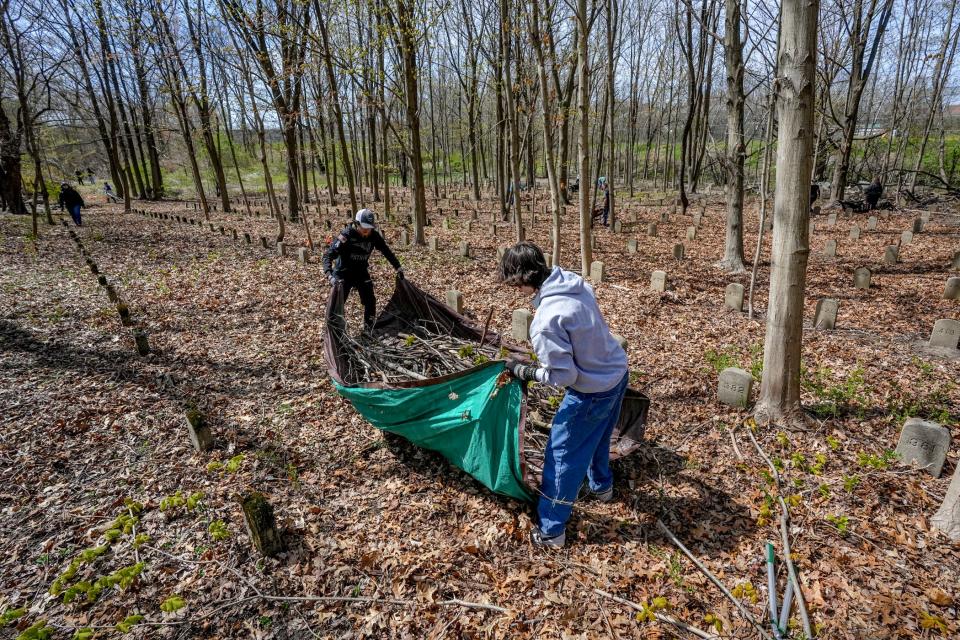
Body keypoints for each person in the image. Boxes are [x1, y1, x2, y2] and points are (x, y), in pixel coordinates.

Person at [500, 242, 628, 548]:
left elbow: (565, 376)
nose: (514, 289)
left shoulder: (545, 321)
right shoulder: (573, 283)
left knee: (562, 454)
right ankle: (602, 487)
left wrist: (527, 372)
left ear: (520, 279)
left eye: (513, 282)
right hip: (617, 373)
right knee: (599, 435)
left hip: (591, 390)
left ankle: (551, 530)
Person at [323, 208, 403, 331]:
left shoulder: (374, 236)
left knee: (370, 301)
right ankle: (335, 332)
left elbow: (386, 251)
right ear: (357, 224)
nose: (367, 232)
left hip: (361, 272)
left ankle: (368, 328)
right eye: (364, 228)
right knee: (337, 305)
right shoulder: (346, 235)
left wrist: (398, 267)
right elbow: (328, 255)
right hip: (343, 273)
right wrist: (329, 275)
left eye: (369, 228)